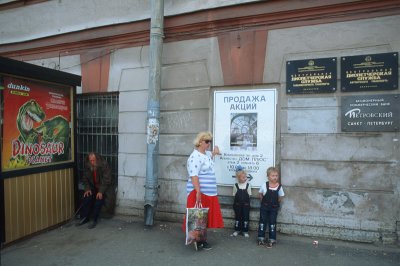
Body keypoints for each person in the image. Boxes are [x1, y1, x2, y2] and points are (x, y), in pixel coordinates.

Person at [185, 131, 224, 251]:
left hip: (209, 193)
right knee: (198, 217)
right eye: (207, 141)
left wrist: (215, 153)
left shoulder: (205, 154)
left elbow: (208, 158)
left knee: (203, 218)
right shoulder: (194, 157)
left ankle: (201, 239)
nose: (209, 144)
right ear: (200, 142)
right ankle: (199, 241)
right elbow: (194, 175)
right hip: (200, 192)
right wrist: (197, 192)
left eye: (210, 141)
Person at [76, 152, 113, 229]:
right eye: (91, 161)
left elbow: (107, 180)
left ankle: (94, 220)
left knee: (98, 200)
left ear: (97, 160)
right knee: (87, 197)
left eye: (93, 160)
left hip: (103, 188)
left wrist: (101, 191)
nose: (92, 162)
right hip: (93, 187)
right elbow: (85, 178)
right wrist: (87, 189)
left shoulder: (104, 165)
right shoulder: (88, 165)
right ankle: (85, 217)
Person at [257, 166, 285, 248]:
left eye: (276, 176)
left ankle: (272, 238)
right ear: (268, 176)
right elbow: (260, 194)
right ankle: (260, 237)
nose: (275, 177)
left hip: (274, 208)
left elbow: (281, 196)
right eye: (273, 176)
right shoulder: (264, 185)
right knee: (262, 222)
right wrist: (264, 202)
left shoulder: (279, 187)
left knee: (272, 222)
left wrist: (276, 203)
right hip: (264, 207)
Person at [231, 165, 252, 238]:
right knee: (238, 217)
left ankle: (245, 231)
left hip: (246, 205)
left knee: (245, 217)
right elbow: (234, 194)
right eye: (243, 177)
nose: (245, 178)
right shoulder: (235, 185)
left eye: (245, 177)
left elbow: (249, 195)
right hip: (237, 205)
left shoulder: (248, 185)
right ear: (238, 178)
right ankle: (237, 230)